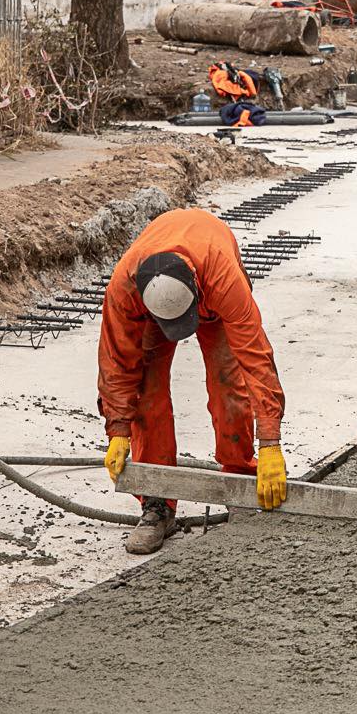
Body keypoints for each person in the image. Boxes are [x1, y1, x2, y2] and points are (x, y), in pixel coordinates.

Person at [97, 208, 289, 554]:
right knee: (146, 393)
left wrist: (271, 443)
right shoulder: (124, 289)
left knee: (229, 386)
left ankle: (240, 482)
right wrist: (118, 430)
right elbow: (117, 363)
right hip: (151, 311)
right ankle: (157, 504)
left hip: (212, 282)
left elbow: (255, 358)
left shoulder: (222, 278)